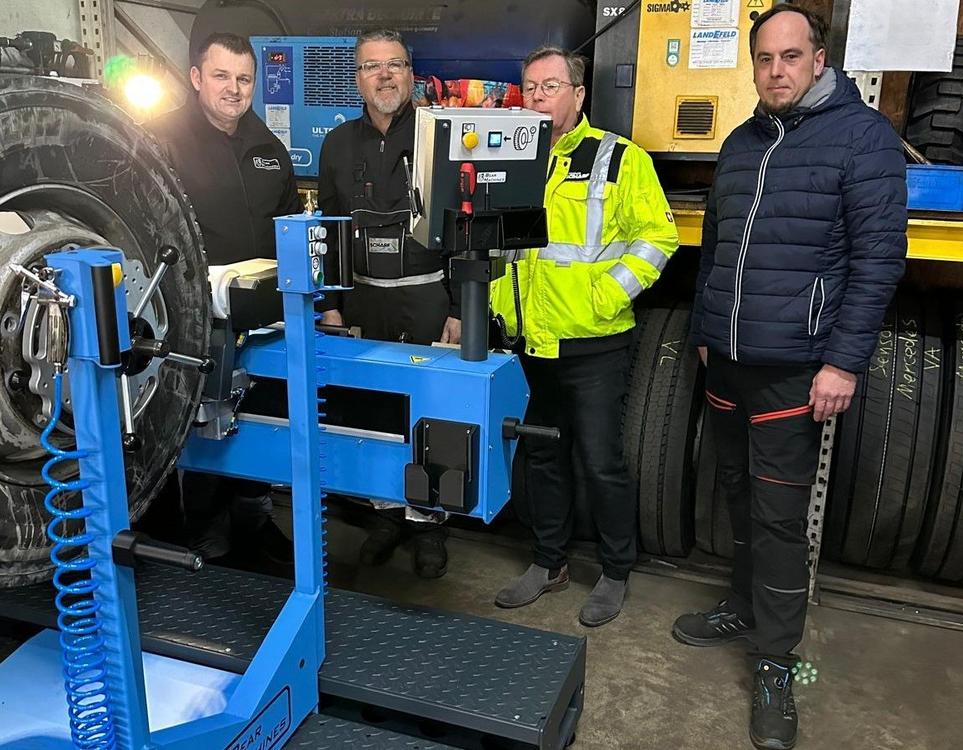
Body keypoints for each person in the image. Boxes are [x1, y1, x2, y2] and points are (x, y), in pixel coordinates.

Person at [674, 6, 907, 749]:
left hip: (795, 369)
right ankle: (745, 606)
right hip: (727, 360)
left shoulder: (863, 138)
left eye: (790, 56)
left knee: (779, 520)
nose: (776, 70)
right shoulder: (741, 142)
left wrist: (843, 362)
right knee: (737, 495)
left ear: (818, 59)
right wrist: (706, 329)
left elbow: (878, 261)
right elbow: (714, 246)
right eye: (764, 58)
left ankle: (776, 664)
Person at [490, 46, 679, 627]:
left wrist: (605, 295)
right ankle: (549, 562)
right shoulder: (511, 157)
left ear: (578, 94)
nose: (538, 97)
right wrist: (497, 306)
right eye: (530, 87)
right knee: (542, 456)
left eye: (551, 86)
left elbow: (657, 238)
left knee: (600, 462)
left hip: (593, 342)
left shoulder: (619, 159)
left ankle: (616, 570)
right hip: (530, 340)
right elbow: (496, 245)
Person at [144, 32, 300, 572]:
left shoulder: (268, 147)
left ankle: (255, 522)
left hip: (262, 316)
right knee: (201, 423)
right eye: (221, 76)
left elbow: (287, 226)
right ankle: (208, 536)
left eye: (244, 79)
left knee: (258, 416)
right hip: (189, 319)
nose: (234, 89)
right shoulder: (161, 141)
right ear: (195, 78)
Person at [317, 29, 458, 579]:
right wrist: (331, 304)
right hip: (362, 303)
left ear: (411, 74)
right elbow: (328, 235)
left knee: (431, 411)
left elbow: (467, 227)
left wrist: (458, 308)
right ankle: (384, 515)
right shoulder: (337, 145)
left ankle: (429, 523)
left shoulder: (442, 136)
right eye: (372, 66)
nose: (384, 75)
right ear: (357, 79)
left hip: (427, 298)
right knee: (372, 410)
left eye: (394, 64)